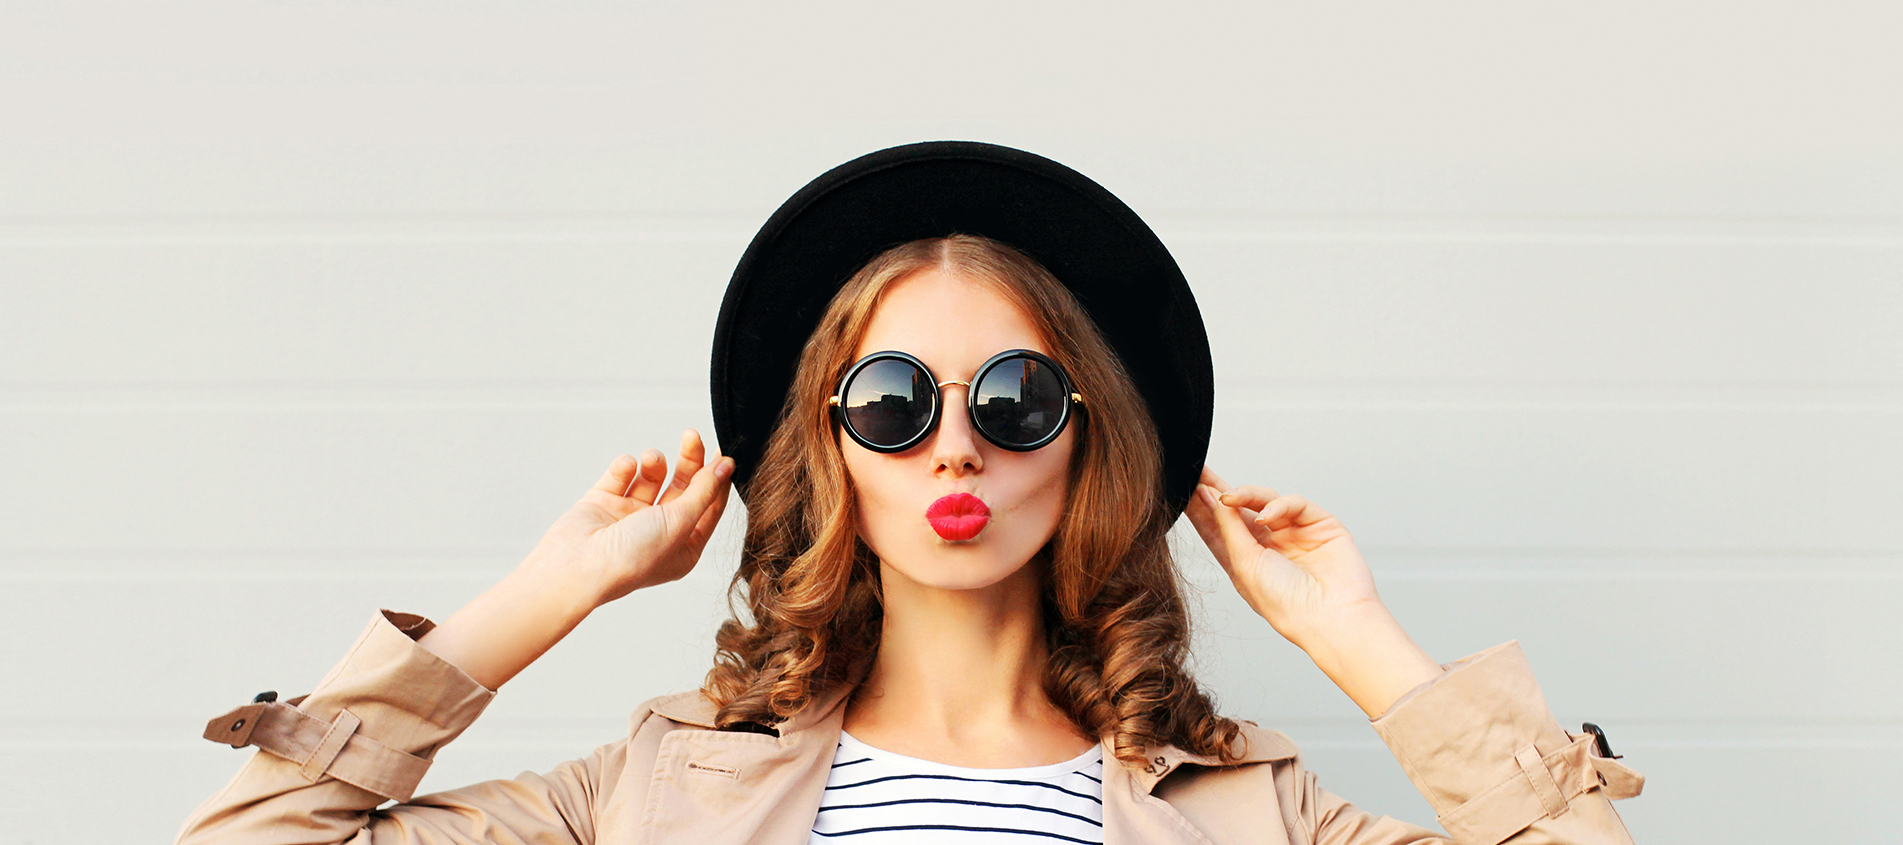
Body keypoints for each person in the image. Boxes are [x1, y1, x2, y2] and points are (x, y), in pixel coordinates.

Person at [178, 142, 1643, 845]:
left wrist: (1362, 645)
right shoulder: (658, 786)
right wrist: (544, 594)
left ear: (1085, 442)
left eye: (1015, 400)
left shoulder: (1250, 806)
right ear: (831, 452)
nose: (958, 450)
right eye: (892, 404)